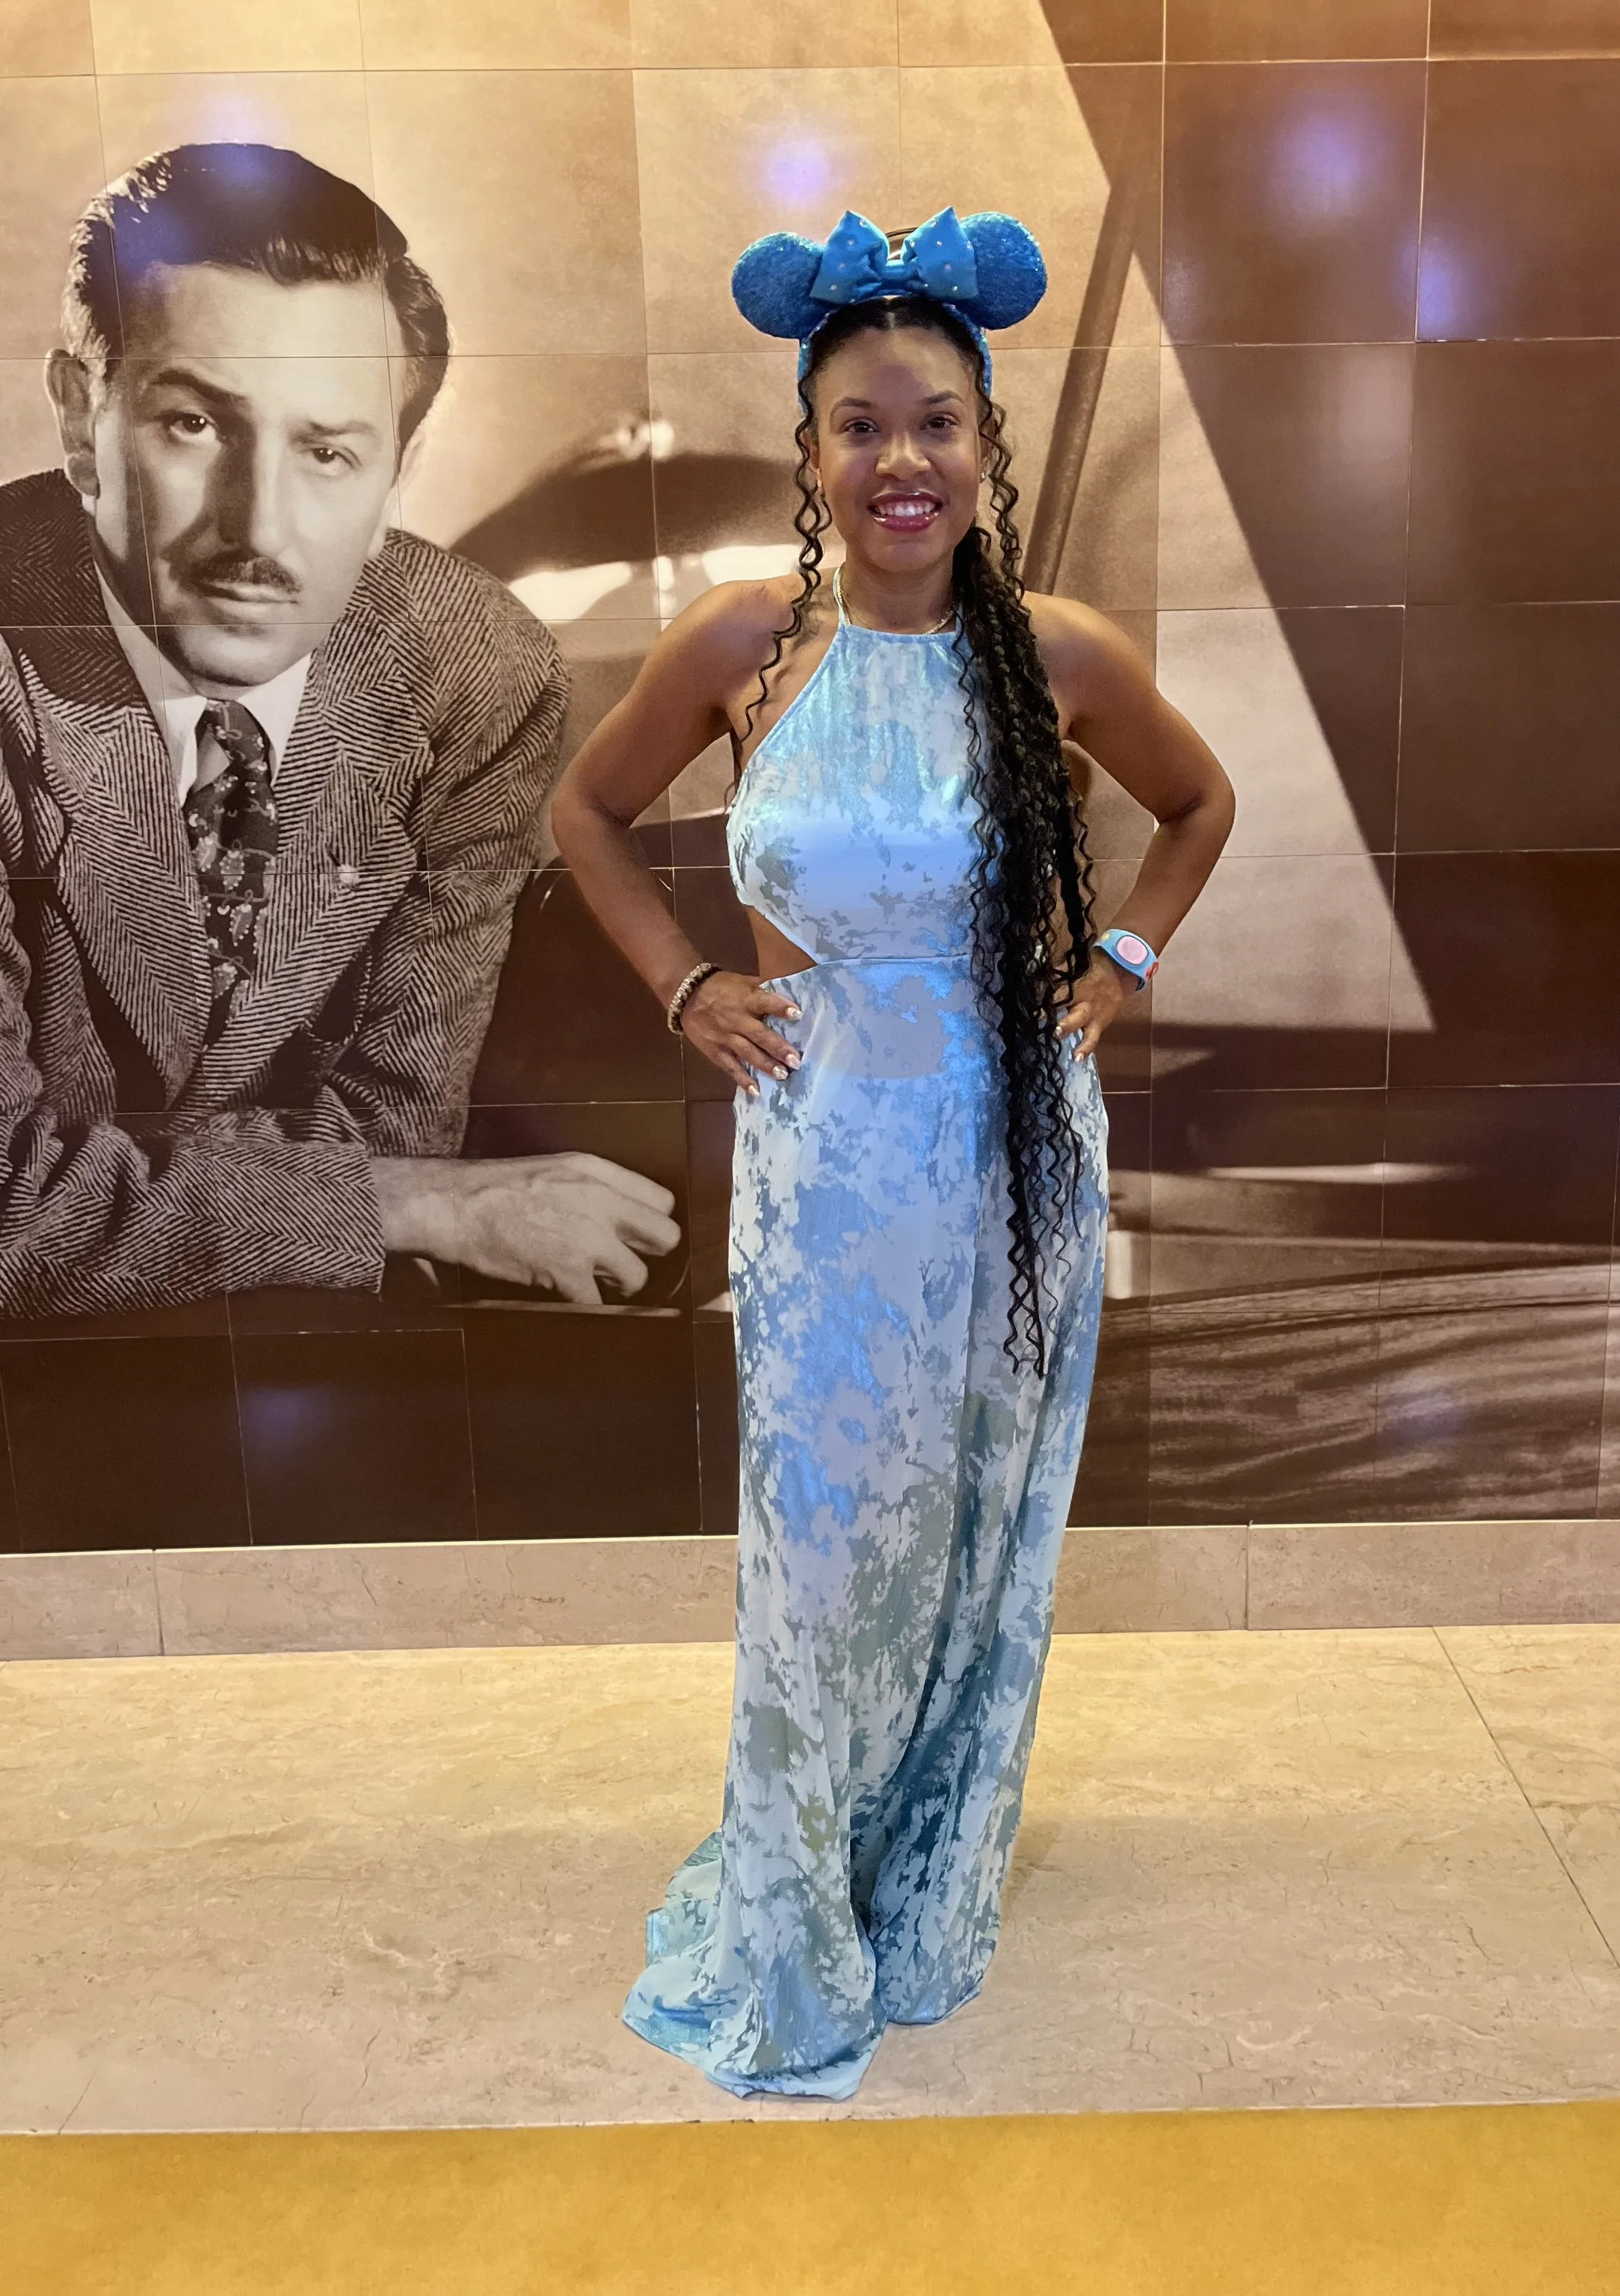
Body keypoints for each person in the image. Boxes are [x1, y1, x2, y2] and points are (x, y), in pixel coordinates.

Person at [553, 206, 1234, 2098]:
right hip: (819, 1166)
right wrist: (688, 983)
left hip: (1008, 1155)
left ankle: (917, 1855)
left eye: (933, 421)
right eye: (860, 425)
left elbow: (1198, 804)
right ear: (812, 449)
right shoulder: (741, 643)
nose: (899, 461)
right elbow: (584, 813)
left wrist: (1117, 959)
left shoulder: (1060, 657)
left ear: (985, 441)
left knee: (969, 1530)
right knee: (821, 1539)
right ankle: (794, 1885)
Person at [0, 141, 678, 1318]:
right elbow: (11, 1208)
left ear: (397, 474)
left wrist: (375, 1196)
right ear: (79, 422)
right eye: (194, 426)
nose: (258, 529)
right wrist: (413, 1205)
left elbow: (396, 1121)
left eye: (328, 453)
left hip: (300, 1372)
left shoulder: (475, 672)